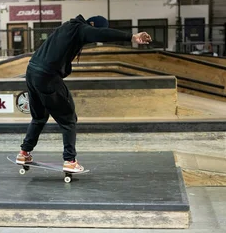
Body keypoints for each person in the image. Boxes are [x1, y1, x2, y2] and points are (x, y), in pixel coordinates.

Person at [16, 14, 152, 172]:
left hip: (31, 71)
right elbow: (102, 34)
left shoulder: (67, 27)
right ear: (92, 24)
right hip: (47, 75)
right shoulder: (81, 29)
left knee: (39, 117)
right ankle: (70, 160)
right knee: (68, 119)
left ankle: (24, 152)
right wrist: (132, 37)